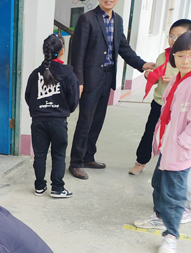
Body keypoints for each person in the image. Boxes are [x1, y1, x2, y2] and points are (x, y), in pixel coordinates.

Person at [134, 32, 191, 253]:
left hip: (180, 150)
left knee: (174, 193)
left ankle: (171, 236)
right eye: (180, 55)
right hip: (168, 146)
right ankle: (158, 217)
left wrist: (182, 145)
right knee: (158, 183)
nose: (185, 60)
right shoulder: (177, 79)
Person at [69, 0, 155, 180]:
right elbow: (78, 52)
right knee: (85, 120)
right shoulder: (87, 19)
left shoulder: (118, 20)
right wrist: (79, 80)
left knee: (98, 120)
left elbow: (123, 47)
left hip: (107, 76)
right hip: (90, 78)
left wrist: (142, 64)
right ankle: (76, 162)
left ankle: (88, 156)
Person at [129, 19, 191, 175]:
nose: (174, 40)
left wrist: (175, 80)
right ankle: (140, 162)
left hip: (179, 107)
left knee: (173, 137)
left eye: (179, 36)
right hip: (159, 103)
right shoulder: (163, 56)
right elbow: (158, 77)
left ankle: (171, 166)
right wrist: (149, 75)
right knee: (150, 133)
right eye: (171, 36)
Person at [25, 34, 79, 198]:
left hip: (38, 122)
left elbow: (28, 96)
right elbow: (73, 99)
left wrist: (38, 110)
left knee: (39, 155)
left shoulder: (35, 74)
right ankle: (57, 188)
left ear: (44, 51)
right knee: (59, 155)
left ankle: (39, 187)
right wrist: (63, 110)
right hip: (58, 122)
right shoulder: (69, 74)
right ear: (62, 51)